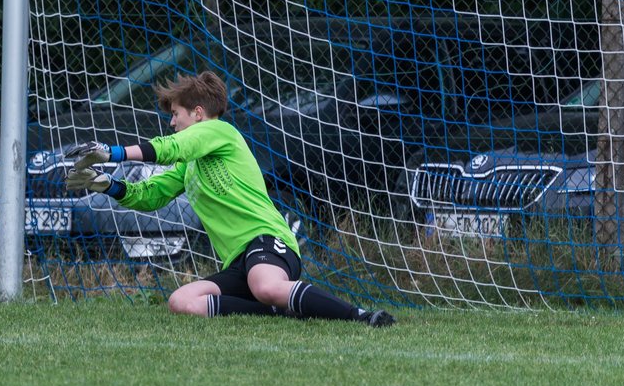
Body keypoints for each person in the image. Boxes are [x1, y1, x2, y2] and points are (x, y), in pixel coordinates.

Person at [64, 70, 395, 326]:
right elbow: (150, 196)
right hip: (238, 262)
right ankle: (281, 311)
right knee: (182, 302)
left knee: (265, 285)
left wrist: (113, 152)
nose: (171, 122)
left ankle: (362, 316)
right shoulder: (190, 165)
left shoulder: (220, 131)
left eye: (175, 114)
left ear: (197, 113)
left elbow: (170, 148)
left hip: (267, 242)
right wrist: (106, 185)